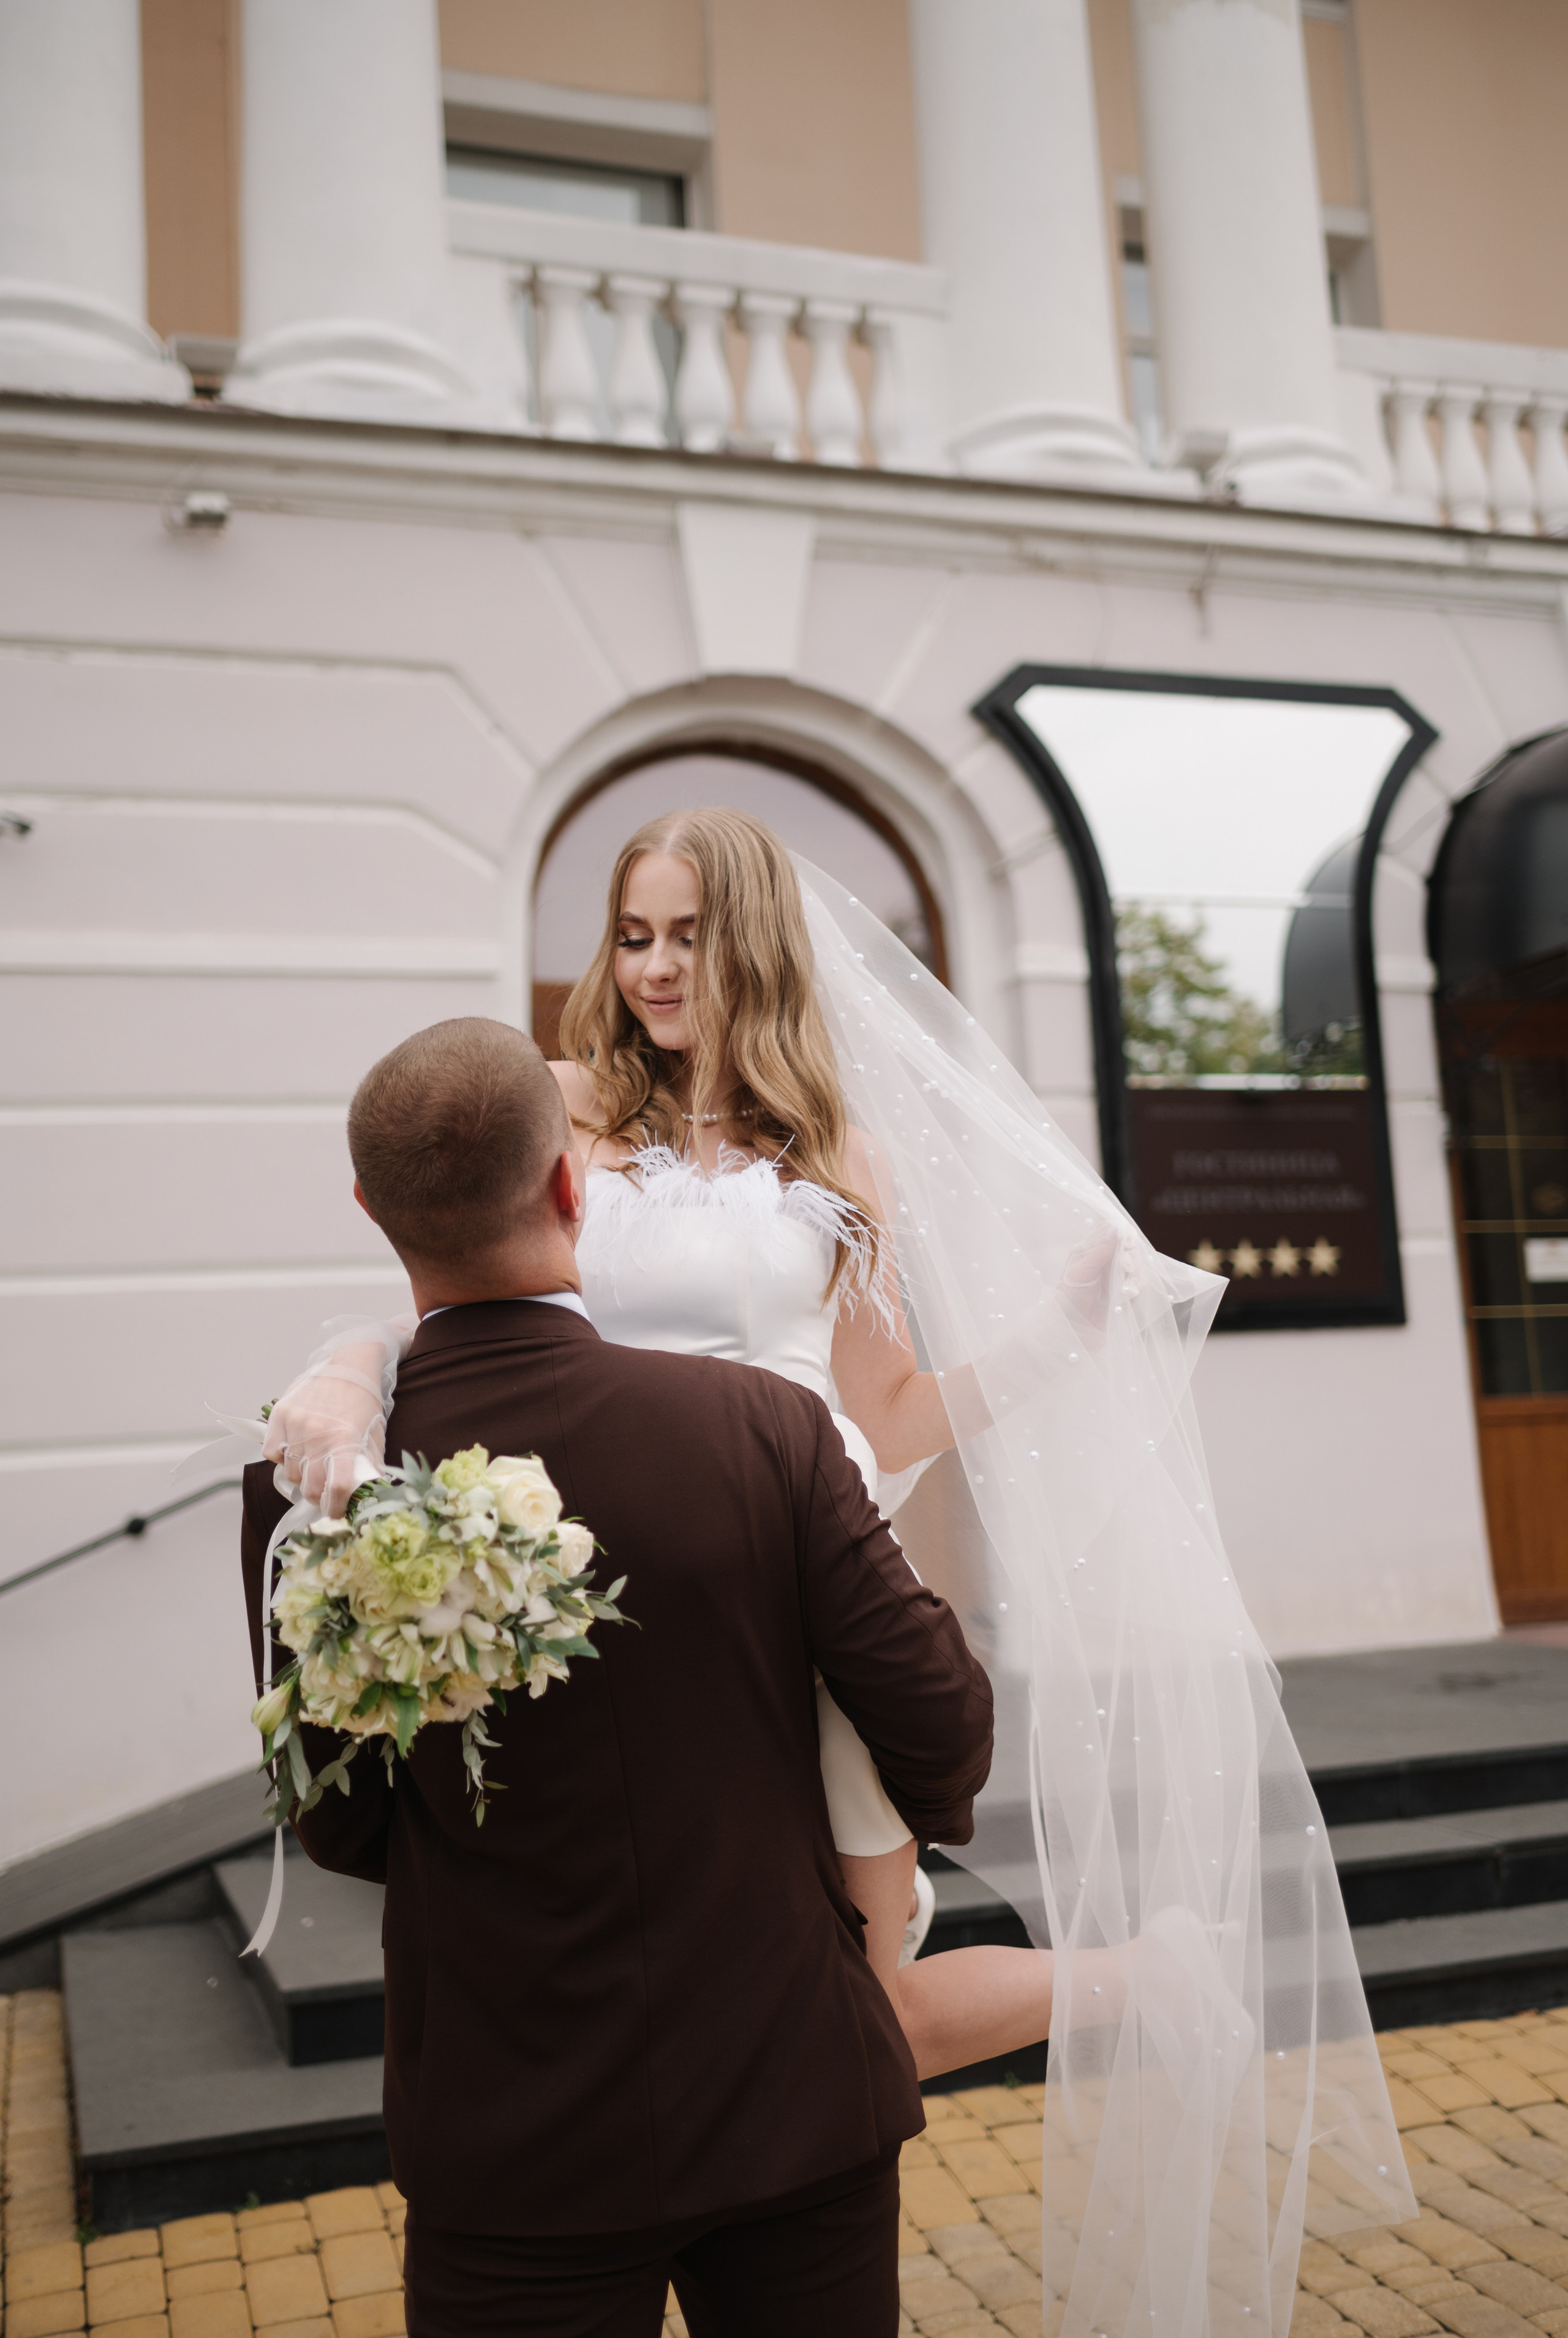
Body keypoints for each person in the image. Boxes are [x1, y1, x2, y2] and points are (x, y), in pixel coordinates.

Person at [264, 809, 1415, 2329]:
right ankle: (1132, 1979)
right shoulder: (564, 1109)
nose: (654, 967)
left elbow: (885, 1413)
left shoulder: (841, 1159)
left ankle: (1139, 1977)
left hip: (803, 1575)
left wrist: (1057, 1338)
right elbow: (454, 1289)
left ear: (753, 942)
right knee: (780, 1995)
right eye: (632, 934)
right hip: (593, 1580)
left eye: (687, 934)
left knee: (861, 2000)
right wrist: (347, 1364)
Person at [242, 1015, 993, 2338]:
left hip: (510, 2135)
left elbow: (341, 1820)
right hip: (789, 2091)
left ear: (370, 1208)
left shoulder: (311, 1494)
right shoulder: (765, 1428)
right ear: (570, 1184)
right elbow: (940, 1718)